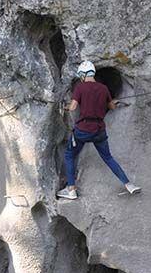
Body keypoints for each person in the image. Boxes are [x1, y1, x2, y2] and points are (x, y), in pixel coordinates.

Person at [57, 61, 141, 200]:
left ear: (82, 75)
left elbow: (72, 107)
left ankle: (71, 189)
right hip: (99, 131)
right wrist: (113, 101)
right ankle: (128, 184)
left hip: (83, 130)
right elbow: (111, 107)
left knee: (69, 155)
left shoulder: (80, 87)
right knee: (108, 158)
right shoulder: (103, 88)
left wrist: (64, 107)